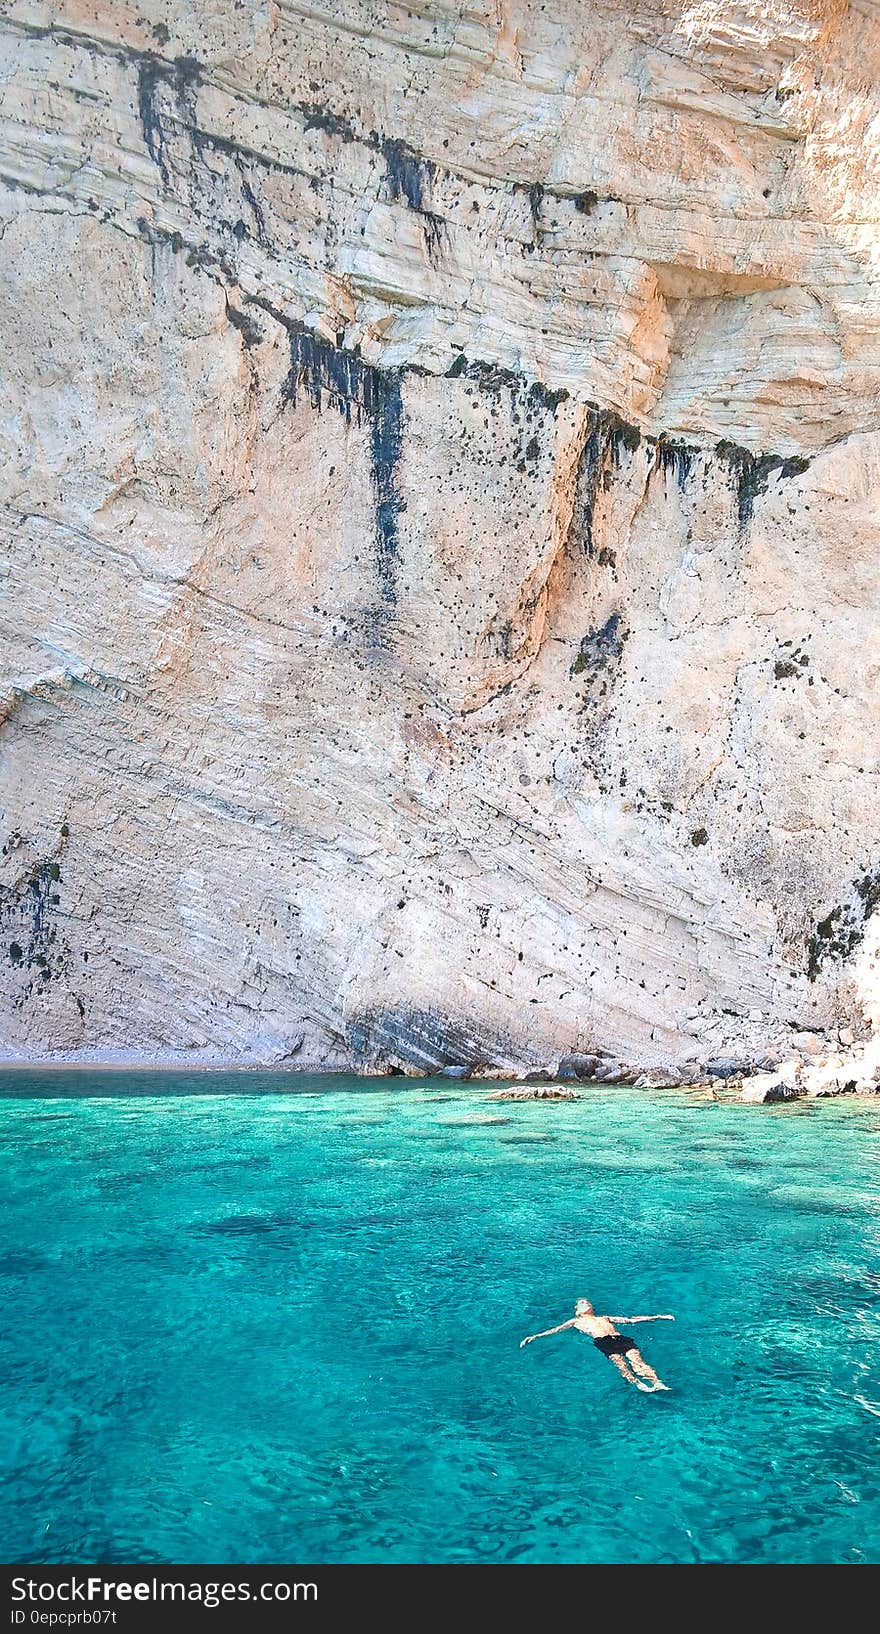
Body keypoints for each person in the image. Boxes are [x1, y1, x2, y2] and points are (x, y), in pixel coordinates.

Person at [519, 1297, 673, 1391]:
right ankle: (638, 1383)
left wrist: (658, 1316)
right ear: (577, 1310)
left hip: (620, 1338)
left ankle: (657, 1382)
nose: (585, 1303)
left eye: (587, 1302)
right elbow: (556, 1329)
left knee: (637, 1361)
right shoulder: (576, 1321)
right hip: (603, 1341)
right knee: (621, 1364)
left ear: (591, 1307)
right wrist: (535, 1336)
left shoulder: (604, 1318)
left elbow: (630, 1319)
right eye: (581, 1303)